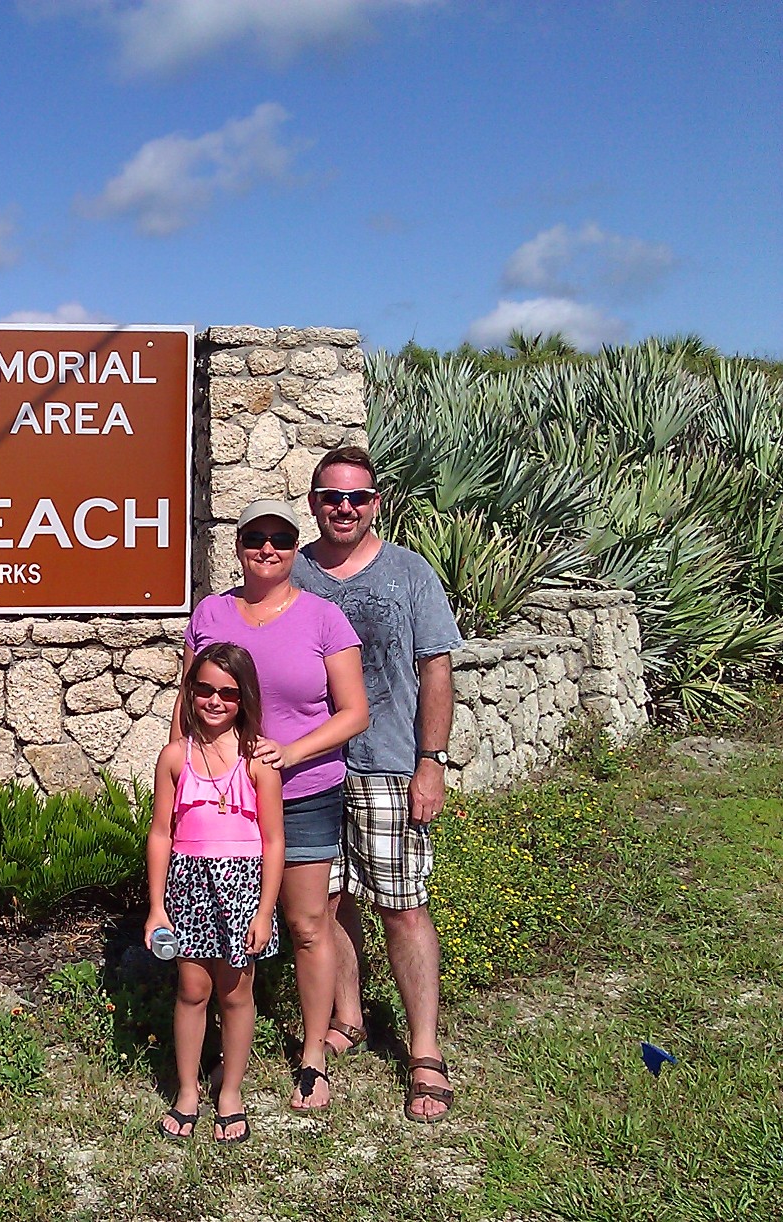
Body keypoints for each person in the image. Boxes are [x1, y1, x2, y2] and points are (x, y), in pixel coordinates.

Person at [175, 501, 369, 1111]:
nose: (268, 548)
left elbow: (354, 711)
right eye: (255, 537)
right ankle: (209, 1052)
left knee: (308, 925)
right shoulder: (210, 612)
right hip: (222, 805)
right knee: (210, 935)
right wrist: (179, 774)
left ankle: (313, 1057)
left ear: (295, 547)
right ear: (238, 546)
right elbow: (190, 701)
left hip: (304, 792)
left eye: (281, 539)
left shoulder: (324, 618)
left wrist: (291, 750)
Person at [292, 446, 464, 1123]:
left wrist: (432, 761)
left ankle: (424, 1050)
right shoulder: (293, 567)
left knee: (401, 904)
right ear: (313, 502)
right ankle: (349, 1016)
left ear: (376, 504)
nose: (344, 507)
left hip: (389, 761)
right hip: (310, 766)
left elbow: (436, 670)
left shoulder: (409, 573)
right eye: (332, 496)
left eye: (357, 498)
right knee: (328, 902)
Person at [146, 642, 284, 1143]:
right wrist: (156, 907)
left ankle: (230, 1089)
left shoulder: (259, 761)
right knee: (192, 989)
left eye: (228, 692)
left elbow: (273, 842)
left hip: (243, 888)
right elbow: (161, 833)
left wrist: (266, 910)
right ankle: (187, 1090)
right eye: (204, 689)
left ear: (243, 698)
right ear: (191, 692)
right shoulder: (174, 758)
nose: (215, 700)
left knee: (236, 992)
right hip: (187, 886)